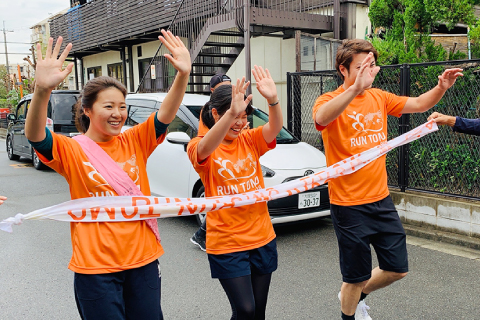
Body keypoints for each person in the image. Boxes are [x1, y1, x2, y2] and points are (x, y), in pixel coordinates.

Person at [24, 30, 191, 319]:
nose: (118, 113)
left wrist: (182, 76)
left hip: (143, 262)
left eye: (123, 107)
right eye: (109, 106)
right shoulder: (71, 150)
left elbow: (166, 113)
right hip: (96, 268)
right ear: (87, 110)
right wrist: (41, 91)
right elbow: (36, 136)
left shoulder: (135, 140)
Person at [312, 39, 462, 320]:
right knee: (354, 277)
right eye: (360, 67)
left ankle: (356, 297)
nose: (367, 72)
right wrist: (354, 88)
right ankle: (350, 310)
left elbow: (418, 104)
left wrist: (441, 87)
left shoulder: (379, 97)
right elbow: (321, 118)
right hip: (348, 205)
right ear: (343, 70)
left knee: (397, 268)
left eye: (371, 66)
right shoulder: (328, 100)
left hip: (380, 200)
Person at [187, 66, 283, 320]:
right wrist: (230, 115)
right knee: (245, 309)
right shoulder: (198, 145)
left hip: (262, 237)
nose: (241, 123)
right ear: (216, 113)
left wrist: (273, 100)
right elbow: (205, 148)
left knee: (257, 313)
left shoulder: (249, 140)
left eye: (244, 116)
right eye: (235, 116)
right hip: (228, 244)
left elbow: (273, 129)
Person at [190, 73, 232, 251]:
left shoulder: (234, 105)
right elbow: (205, 138)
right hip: (214, 159)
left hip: (231, 157)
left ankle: (202, 234)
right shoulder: (209, 109)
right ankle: (203, 235)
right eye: (224, 86)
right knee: (219, 198)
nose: (229, 89)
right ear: (213, 90)